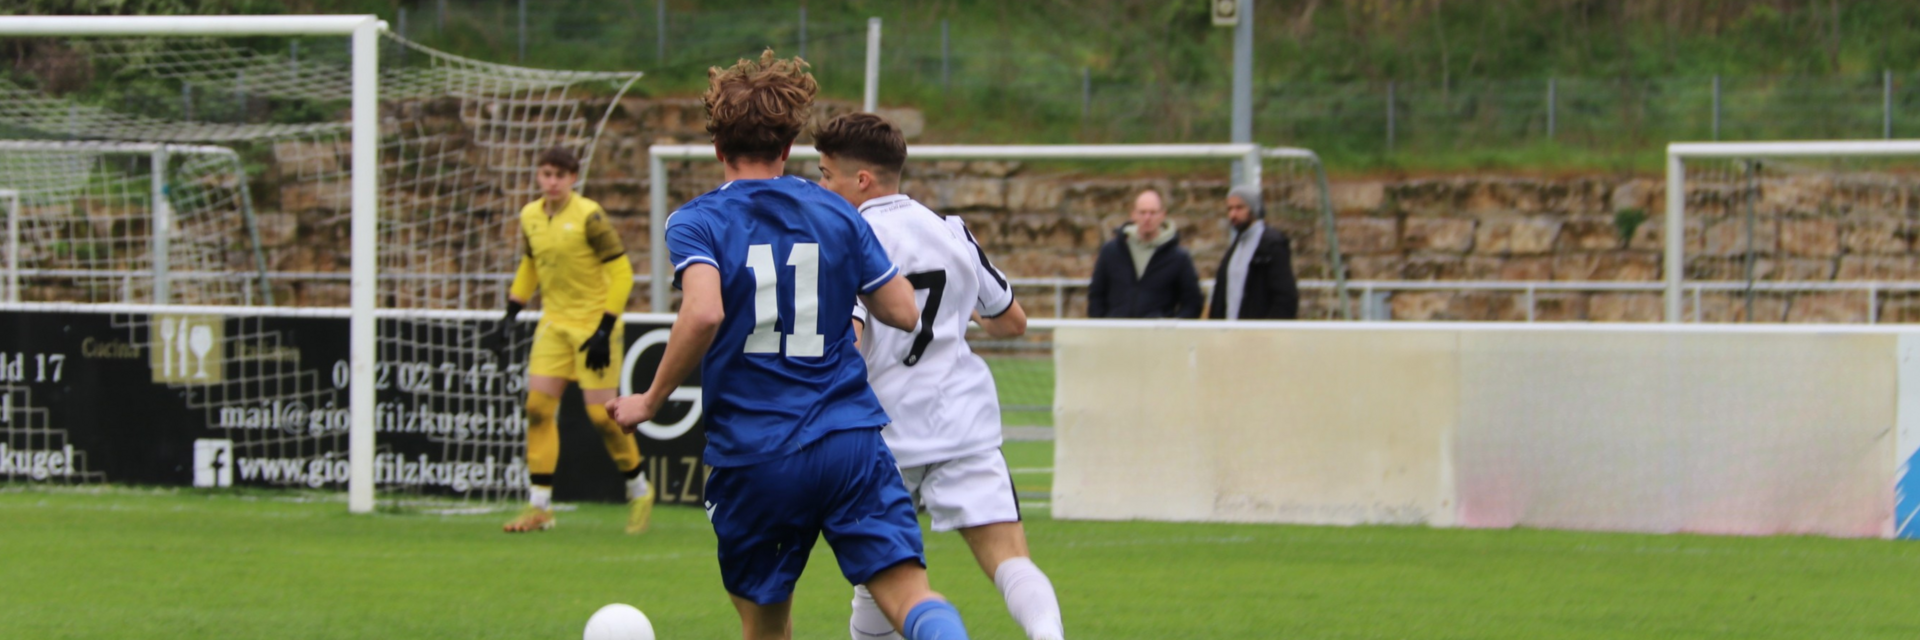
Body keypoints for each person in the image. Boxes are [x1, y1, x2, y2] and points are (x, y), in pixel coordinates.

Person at [604, 51, 974, 640]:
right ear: (787, 148)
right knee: (911, 597)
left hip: (757, 453)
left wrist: (649, 401)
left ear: (719, 150)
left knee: (767, 622)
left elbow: (702, 311)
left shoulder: (696, 222)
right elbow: (903, 310)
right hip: (848, 439)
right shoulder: (835, 210)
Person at [813, 112, 1066, 640]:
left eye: (825, 174)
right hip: (962, 424)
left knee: (883, 582)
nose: (821, 186)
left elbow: (852, 343)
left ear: (861, 180)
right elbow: (1012, 323)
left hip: (885, 436)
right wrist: (962, 311)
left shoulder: (850, 239)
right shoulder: (951, 231)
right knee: (1010, 561)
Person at [480, 146, 653, 534]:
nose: (552, 181)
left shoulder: (590, 216)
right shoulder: (529, 216)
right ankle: (540, 507)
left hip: (595, 327)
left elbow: (623, 273)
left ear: (573, 178)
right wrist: (510, 314)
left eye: (560, 175)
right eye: (546, 174)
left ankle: (640, 490)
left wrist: (604, 330)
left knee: (603, 418)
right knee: (537, 409)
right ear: (538, 176)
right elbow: (530, 264)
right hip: (554, 325)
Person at [1086, 189, 1203, 318]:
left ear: (1163, 215)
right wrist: (1103, 325)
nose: (1147, 218)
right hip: (1116, 333)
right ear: (1133, 215)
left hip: (1158, 335)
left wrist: (1171, 328)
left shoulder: (1178, 257)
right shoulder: (1110, 251)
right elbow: (1096, 294)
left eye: (1153, 212)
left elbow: (1192, 302)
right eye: (1142, 212)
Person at [1207, 185, 1299, 320]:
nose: (1233, 214)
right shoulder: (1236, 246)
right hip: (1230, 334)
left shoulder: (1272, 244)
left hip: (1258, 336)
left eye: (1239, 208)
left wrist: (1267, 333)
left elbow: (1285, 297)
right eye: (1230, 209)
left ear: (1253, 209)